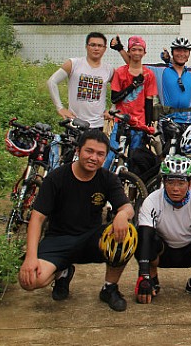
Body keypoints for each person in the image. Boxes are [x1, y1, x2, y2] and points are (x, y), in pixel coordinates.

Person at [18, 129, 136, 312]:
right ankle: (63, 272)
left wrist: (122, 215)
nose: (93, 158)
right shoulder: (56, 178)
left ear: (105, 157)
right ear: (78, 151)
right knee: (29, 281)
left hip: (91, 239)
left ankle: (109, 287)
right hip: (58, 239)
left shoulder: (108, 179)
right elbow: (37, 218)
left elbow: (128, 208)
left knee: (128, 233)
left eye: (100, 154)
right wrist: (30, 257)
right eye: (89, 151)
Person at [134, 155, 191, 304]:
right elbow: (145, 237)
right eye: (170, 182)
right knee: (140, 239)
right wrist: (143, 275)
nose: (175, 188)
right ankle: (152, 279)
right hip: (163, 252)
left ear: (190, 184)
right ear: (164, 182)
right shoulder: (152, 200)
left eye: (181, 183)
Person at [104, 36, 157, 169]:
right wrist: (133, 85)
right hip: (120, 121)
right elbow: (114, 98)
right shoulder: (120, 72)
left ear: (144, 53)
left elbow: (149, 101)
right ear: (128, 52)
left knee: (135, 159)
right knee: (112, 156)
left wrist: (148, 125)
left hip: (139, 123)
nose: (137, 53)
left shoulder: (149, 75)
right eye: (133, 50)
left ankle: (131, 182)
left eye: (140, 50)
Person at [47, 32, 115, 129]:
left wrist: (112, 109)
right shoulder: (73, 64)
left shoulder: (109, 70)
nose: (96, 48)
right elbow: (52, 82)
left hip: (98, 125)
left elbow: (119, 89)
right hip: (75, 123)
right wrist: (60, 108)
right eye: (93, 45)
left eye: (100, 45)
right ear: (86, 46)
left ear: (104, 49)